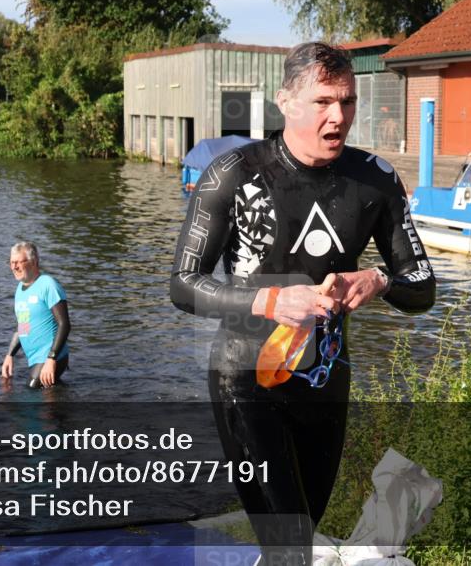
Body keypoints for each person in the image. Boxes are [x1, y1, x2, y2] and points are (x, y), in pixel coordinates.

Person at [170, 42, 436, 565]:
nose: (338, 117)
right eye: (323, 102)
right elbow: (183, 284)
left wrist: (378, 281)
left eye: (348, 102)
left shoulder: (374, 180)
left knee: (300, 543)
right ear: (285, 102)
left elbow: (421, 284)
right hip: (246, 380)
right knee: (290, 545)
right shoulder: (233, 175)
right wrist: (270, 299)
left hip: (325, 379)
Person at [0, 241, 71, 388]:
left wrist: (51, 359)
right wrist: (9, 355)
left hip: (51, 356)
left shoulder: (48, 285)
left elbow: (64, 324)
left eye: (18, 262)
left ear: (33, 262)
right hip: (35, 358)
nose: (14, 267)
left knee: (32, 391)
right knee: (47, 393)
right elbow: (23, 326)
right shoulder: (20, 289)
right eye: (11, 262)